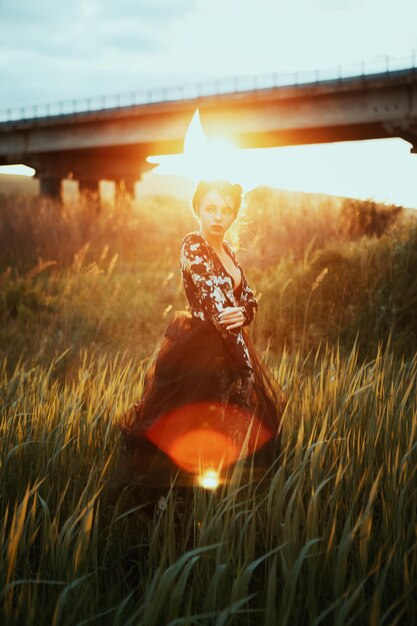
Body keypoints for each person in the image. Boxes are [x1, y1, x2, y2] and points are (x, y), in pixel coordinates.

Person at [117, 180, 287, 492]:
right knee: (194, 428)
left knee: (231, 429)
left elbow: (249, 300)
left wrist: (246, 314)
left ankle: (221, 500)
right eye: (210, 209)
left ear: (234, 215)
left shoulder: (230, 252)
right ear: (197, 209)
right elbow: (219, 310)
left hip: (231, 348)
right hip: (201, 351)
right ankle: (175, 506)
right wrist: (244, 359)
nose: (218, 217)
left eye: (226, 210)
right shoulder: (193, 246)